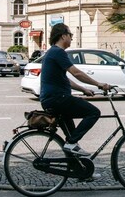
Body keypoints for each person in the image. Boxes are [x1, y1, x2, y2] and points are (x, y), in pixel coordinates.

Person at [39, 23, 113, 157]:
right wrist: (99, 84)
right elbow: (76, 73)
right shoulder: (58, 52)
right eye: (70, 35)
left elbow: (66, 80)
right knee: (93, 112)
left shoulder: (52, 52)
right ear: (63, 36)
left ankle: (80, 171)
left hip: (52, 100)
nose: (72, 38)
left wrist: (83, 89)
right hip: (58, 99)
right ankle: (72, 143)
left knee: (72, 140)